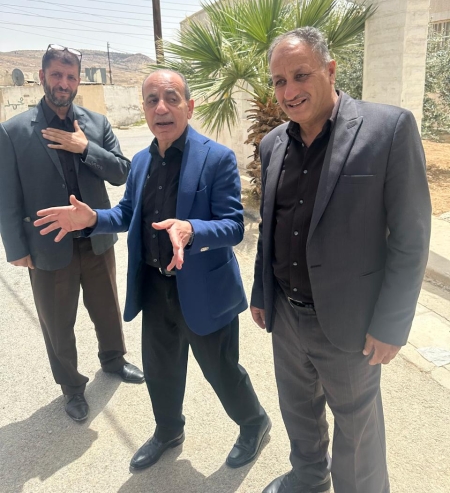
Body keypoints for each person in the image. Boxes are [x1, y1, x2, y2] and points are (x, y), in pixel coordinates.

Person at [34, 69, 271, 470]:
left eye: (171, 98)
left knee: (221, 370)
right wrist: (92, 219)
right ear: (144, 109)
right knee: (160, 369)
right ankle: (168, 430)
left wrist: (192, 229)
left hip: (204, 290)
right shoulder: (142, 161)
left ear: (189, 107)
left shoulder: (216, 158)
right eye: (151, 100)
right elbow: (127, 213)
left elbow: (233, 225)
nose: (161, 108)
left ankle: (254, 423)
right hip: (155, 286)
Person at [250, 27, 432, 493]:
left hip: (351, 322)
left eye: (301, 75)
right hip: (286, 314)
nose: (289, 91)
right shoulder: (272, 144)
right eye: (279, 81)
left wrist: (391, 323)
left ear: (330, 70)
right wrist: (261, 292)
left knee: (358, 432)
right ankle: (309, 477)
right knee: (298, 411)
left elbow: (411, 238)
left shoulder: (389, 130)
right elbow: (270, 227)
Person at [0, 44, 144, 423]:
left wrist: (85, 148)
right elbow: (7, 196)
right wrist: (16, 248)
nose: (63, 83)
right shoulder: (14, 131)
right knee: (57, 322)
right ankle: (72, 387)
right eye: (56, 75)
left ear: (78, 80)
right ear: (42, 76)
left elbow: (122, 172)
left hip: (96, 240)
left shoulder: (97, 124)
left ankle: (114, 359)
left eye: (70, 76)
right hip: (48, 245)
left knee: (107, 307)